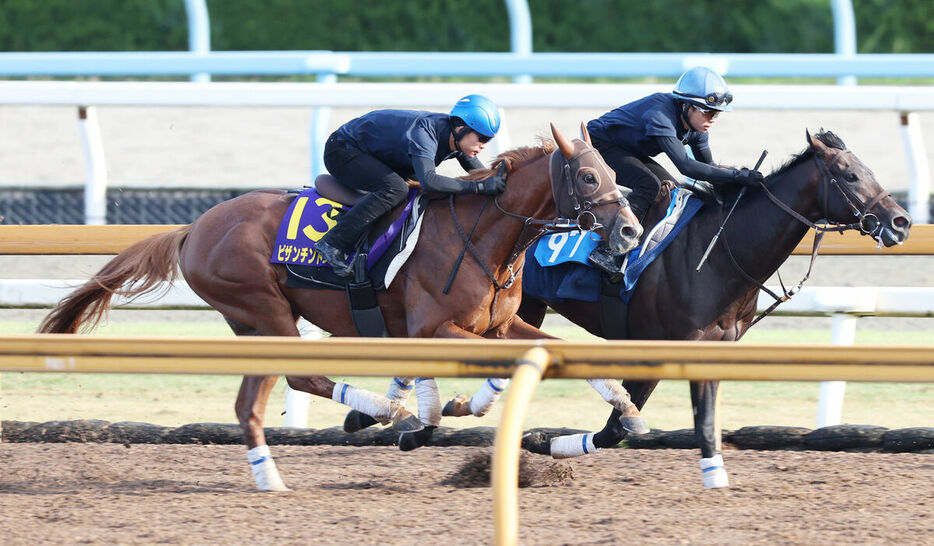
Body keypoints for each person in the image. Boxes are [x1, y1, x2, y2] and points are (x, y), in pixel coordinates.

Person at [312, 94, 506, 276]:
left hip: (375, 154)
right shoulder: (426, 133)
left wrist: (501, 181)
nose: (484, 145)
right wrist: (478, 188)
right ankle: (333, 242)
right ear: (460, 128)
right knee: (396, 188)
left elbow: (482, 177)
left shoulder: (457, 140)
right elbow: (429, 181)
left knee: (411, 190)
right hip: (342, 150)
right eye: (482, 138)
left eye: (488, 140)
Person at [586, 66, 764, 225]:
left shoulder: (698, 129)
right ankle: (611, 244)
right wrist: (736, 176)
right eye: (708, 112)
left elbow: (709, 168)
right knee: (649, 185)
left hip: (626, 149)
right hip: (599, 144)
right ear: (687, 106)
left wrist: (740, 178)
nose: (712, 120)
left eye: (716, 114)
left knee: (671, 190)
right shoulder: (661, 115)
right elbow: (686, 166)